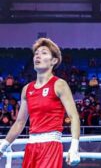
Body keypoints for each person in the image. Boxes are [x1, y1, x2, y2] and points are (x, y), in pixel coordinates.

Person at [0, 38, 80, 167]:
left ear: (54, 61)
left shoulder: (59, 85)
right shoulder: (27, 89)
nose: (38, 55)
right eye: (36, 53)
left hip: (50, 147)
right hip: (31, 147)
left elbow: (74, 116)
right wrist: (3, 145)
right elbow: (20, 122)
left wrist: (74, 147)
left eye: (43, 52)